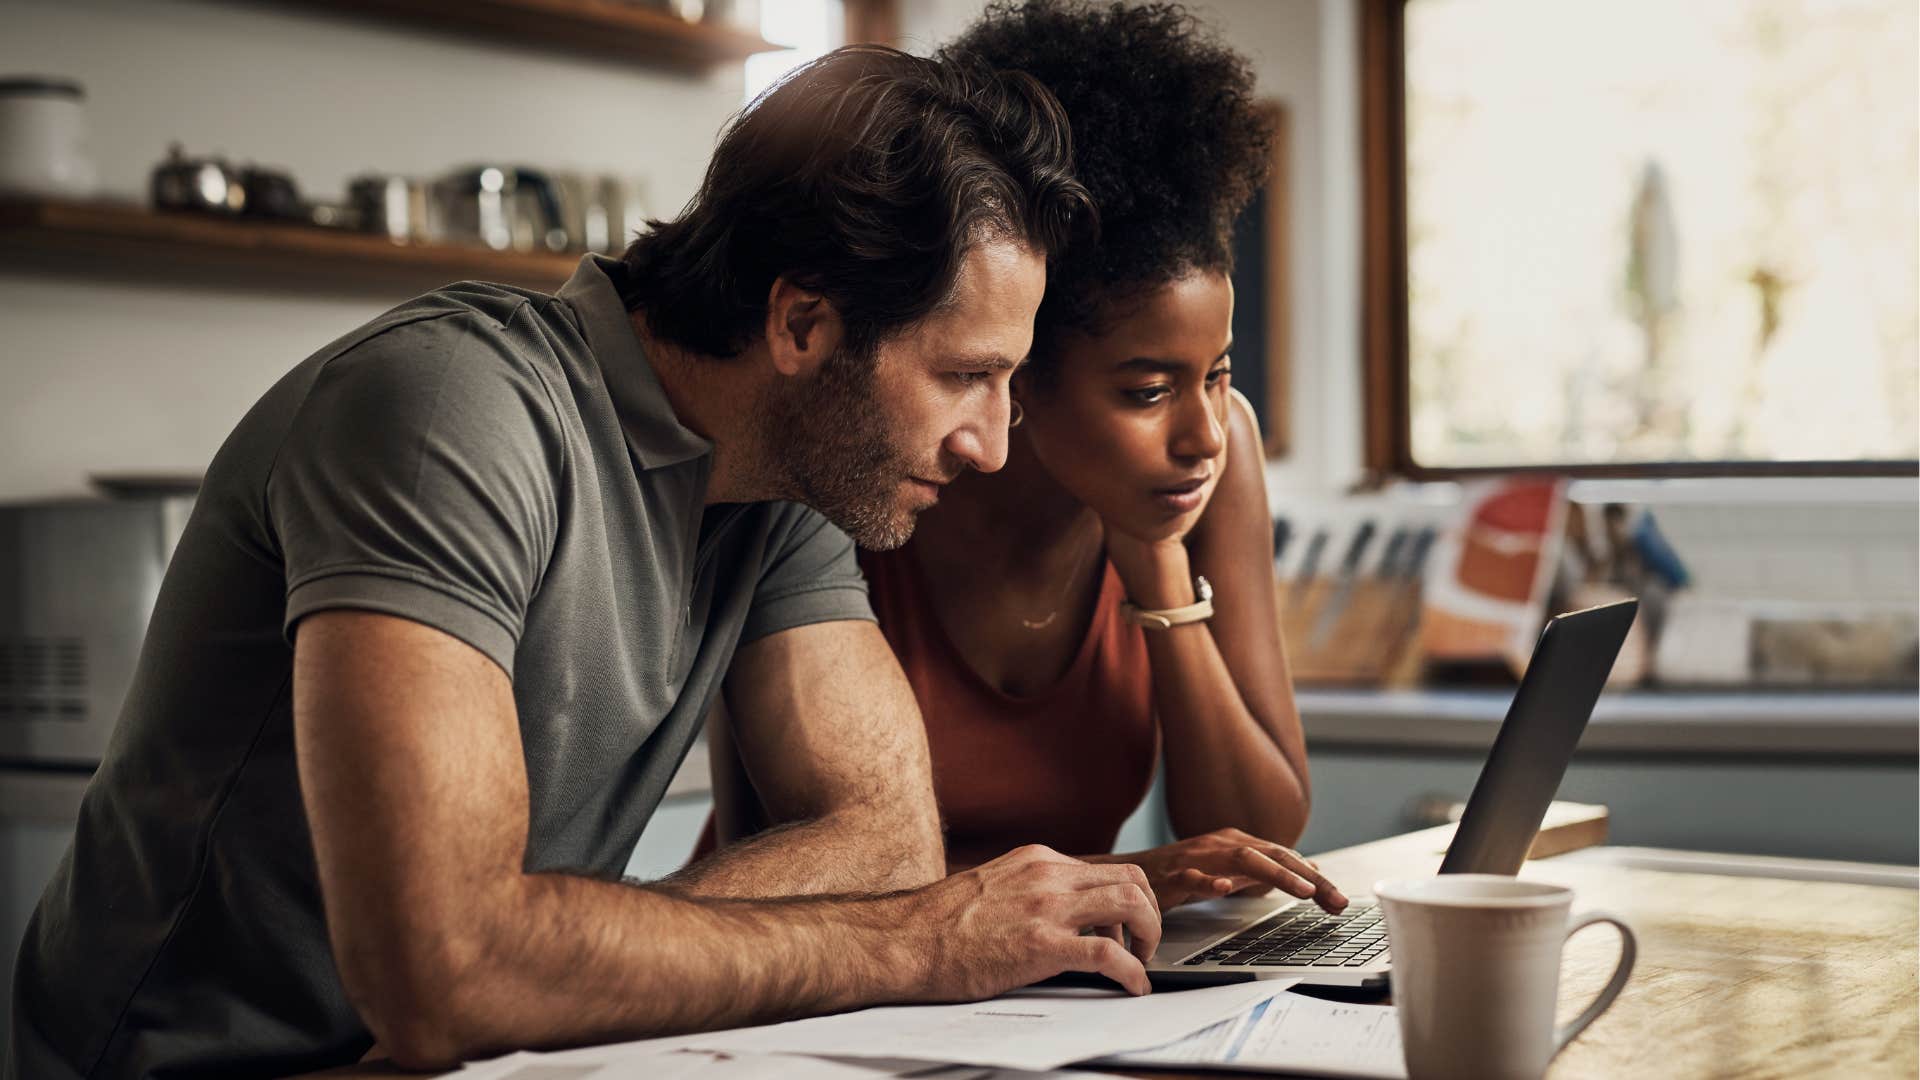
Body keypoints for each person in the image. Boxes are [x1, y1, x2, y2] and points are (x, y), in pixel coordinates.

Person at [7, 46, 1166, 1080]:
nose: (995, 442)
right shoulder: (450, 412)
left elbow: (883, 841)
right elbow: (450, 969)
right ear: (804, 327)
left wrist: (541, 968)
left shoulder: (791, 475)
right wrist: (921, 942)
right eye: (965, 374)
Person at [701, 1, 1348, 917]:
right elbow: (772, 862)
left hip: (1041, 983)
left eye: (1219, 373)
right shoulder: (863, 470)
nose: (1203, 432)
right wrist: (1113, 879)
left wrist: (1157, 564)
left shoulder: (1210, 459)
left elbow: (1262, 834)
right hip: (814, 983)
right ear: (1019, 369)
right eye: (1147, 390)